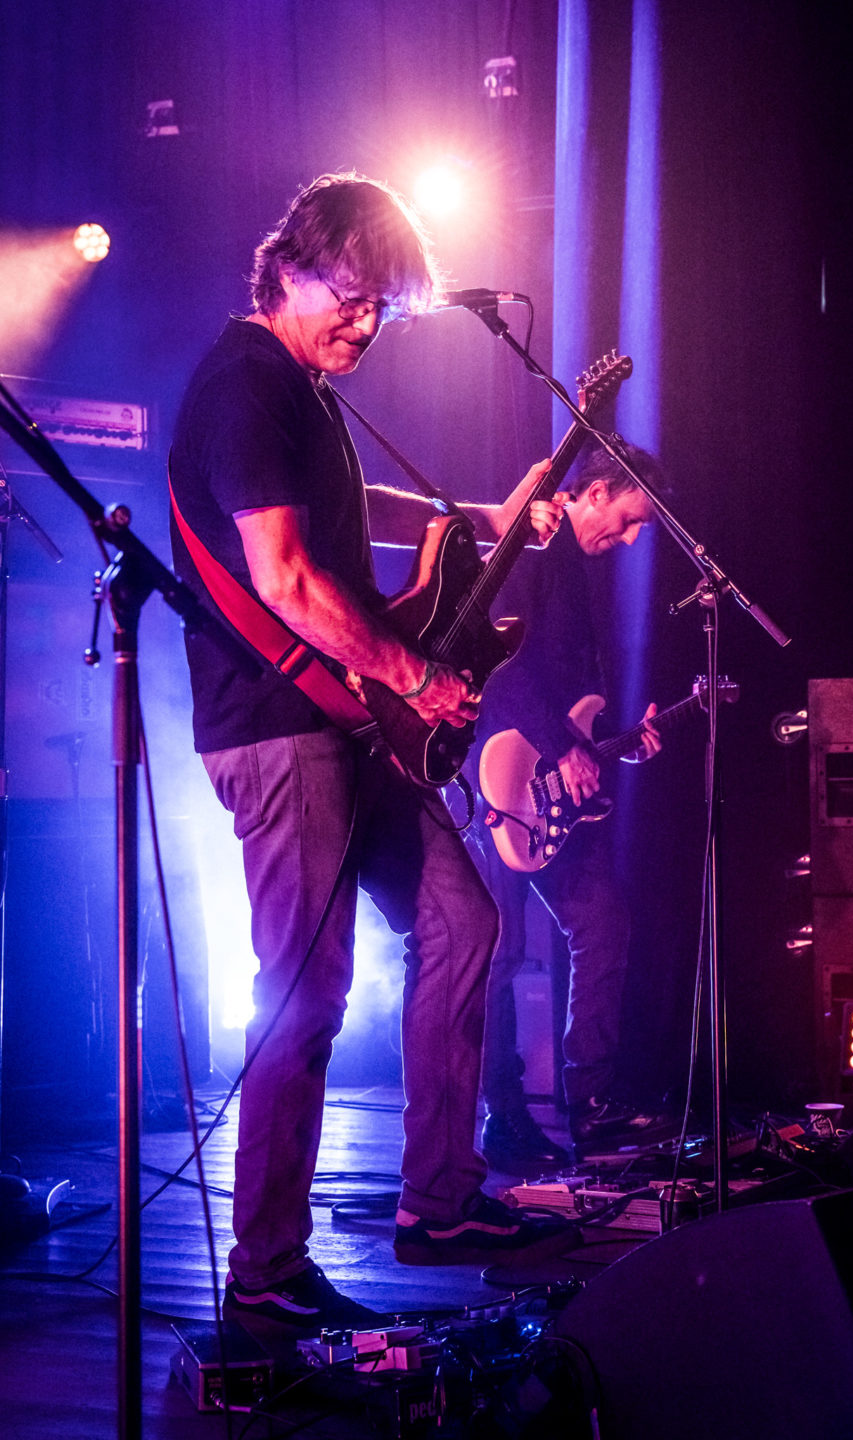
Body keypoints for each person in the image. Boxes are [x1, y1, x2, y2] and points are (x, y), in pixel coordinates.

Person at [168, 172, 571, 1331]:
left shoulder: (301, 390)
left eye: (380, 310)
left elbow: (352, 510)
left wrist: (480, 519)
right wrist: (415, 675)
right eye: (348, 297)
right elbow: (286, 578)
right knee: (305, 993)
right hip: (281, 730)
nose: (364, 324)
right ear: (287, 266)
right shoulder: (247, 383)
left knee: (463, 921)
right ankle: (266, 1272)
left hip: (342, 723)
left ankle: (440, 1201)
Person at [473, 437, 665, 1174]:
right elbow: (505, 670)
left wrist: (613, 743)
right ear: (590, 493)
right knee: (499, 950)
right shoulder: (532, 551)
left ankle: (591, 1103)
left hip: (550, 780)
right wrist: (568, 744)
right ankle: (503, 1116)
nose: (630, 537)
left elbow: (568, 698)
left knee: (602, 922)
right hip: (497, 773)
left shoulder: (583, 579)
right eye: (625, 519)